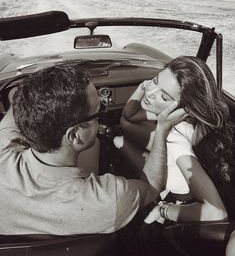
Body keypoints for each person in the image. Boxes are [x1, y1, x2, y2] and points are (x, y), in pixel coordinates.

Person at [0, 65, 186, 235]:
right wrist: (162, 129)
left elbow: (16, 104)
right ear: (74, 135)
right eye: (99, 112)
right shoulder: (110, 198)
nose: (103, 115)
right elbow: (152, 188)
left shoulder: (4, 149)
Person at [114, 56, 234, 224]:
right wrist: (145, 85)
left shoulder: (177, 140)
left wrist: (163, 210)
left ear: (184, 108)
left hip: (182, 199)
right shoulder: (178, 118)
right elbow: (129, 116)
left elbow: (216, 212)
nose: (150, 94)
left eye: (164, 97)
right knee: (120, 139)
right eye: (155, 81)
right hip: (174, 175)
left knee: (117, 142)